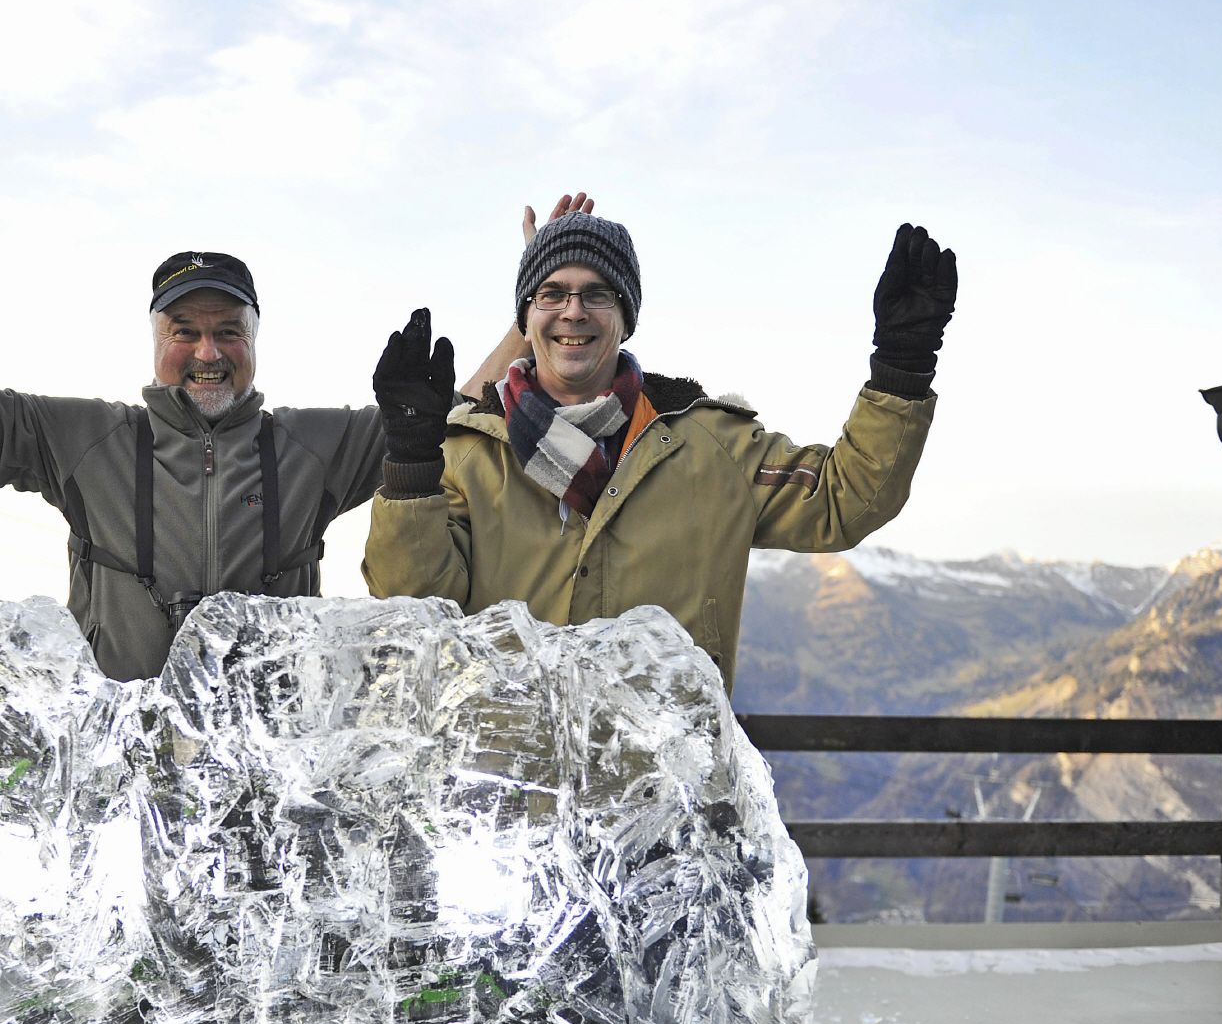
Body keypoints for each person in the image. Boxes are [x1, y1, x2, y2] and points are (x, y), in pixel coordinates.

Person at [0, 123, 511, 680]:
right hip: (122, 784)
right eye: (185, 331)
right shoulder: (80, 437)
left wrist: (534, 307)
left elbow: (450, 416)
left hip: (268, 788)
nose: (208, 352)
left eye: (229, 330)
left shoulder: (315, 446)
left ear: (254, 340)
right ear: (155, 339)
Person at [363, 212, 954, 693]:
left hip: (666, 805)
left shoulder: (710, 447)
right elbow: (414, 612)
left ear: (625, 318)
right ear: (527, 315)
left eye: (597, 295)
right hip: (511, 802)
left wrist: (901, 366)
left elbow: (841, 500)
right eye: (552, 293)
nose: (573, 311)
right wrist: (411, 468)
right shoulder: (468, 454)